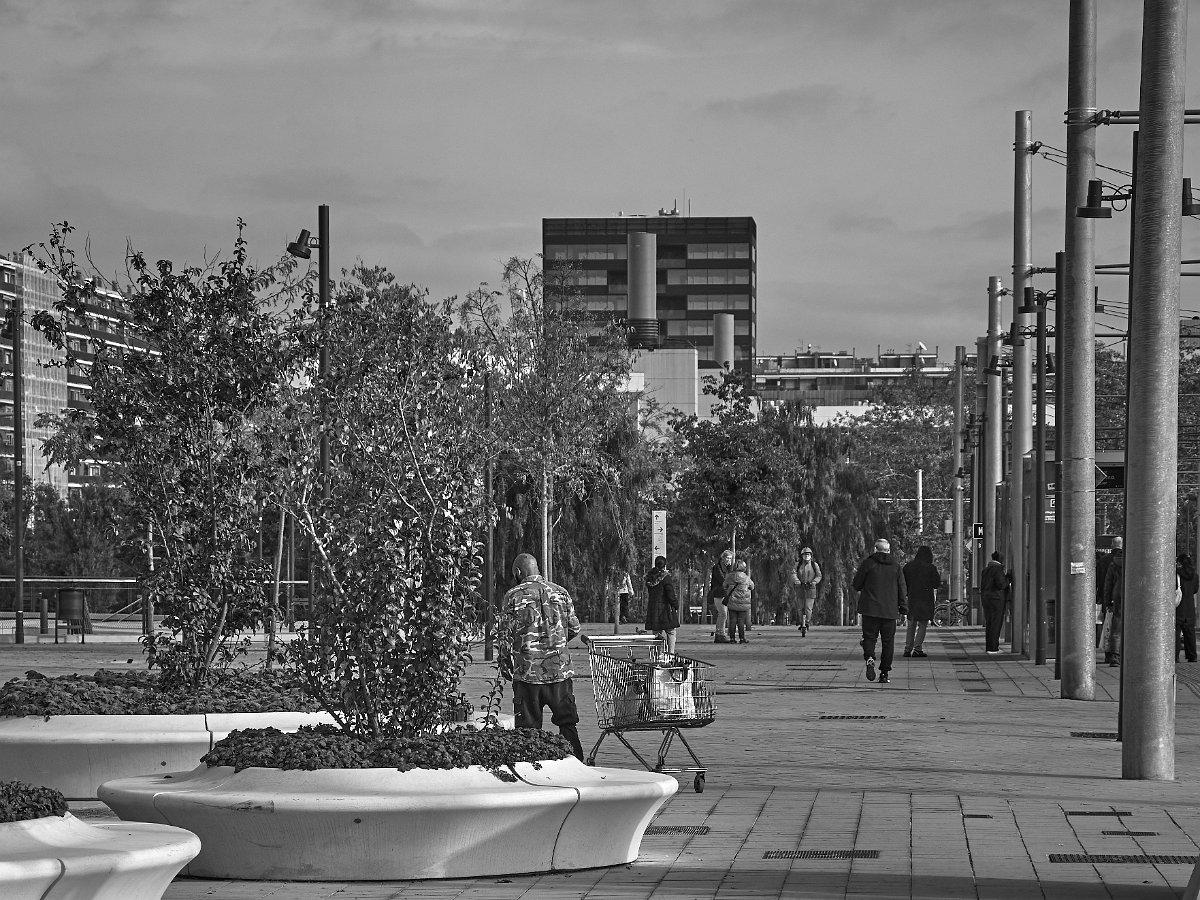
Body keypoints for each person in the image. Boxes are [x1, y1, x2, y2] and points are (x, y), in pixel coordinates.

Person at [500, 552, 588, 760]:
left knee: (528, 729)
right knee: (567, 722)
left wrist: (505, 660)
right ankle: (576, 763)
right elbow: (574, 628)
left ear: (518, 572)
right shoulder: (561, 592)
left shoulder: (513, 596)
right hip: (559, 671)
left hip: (527, 673)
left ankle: (531, 765)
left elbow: (504, 635)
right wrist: (555, 642)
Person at [852, 538, 907, 684]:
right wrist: (903, 608)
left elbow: (857, 584)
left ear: (875, 549)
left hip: (870, 609)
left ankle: (870, 658)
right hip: (889, 610)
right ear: (888, 550)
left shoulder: (868, 564)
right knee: (888, 642)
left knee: (869, 638)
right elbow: (902, 588)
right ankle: (884, 673)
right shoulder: (896, 567)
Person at [902, 545, 942, 658]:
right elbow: (936, 584)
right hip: (925, 598)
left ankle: (907, 648)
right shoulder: (930, 568)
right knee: (923, 624)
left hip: (912, 597)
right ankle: (917, 648)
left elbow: (903, 583)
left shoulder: (908, 567)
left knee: (911, 623)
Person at [645, 555, 680, 653]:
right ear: (664, 566)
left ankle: (658, 655)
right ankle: (670, 654)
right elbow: (670, 594)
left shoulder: (650, 578)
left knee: (657, 633)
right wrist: (675, 605)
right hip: (665, 609)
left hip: (653, 609)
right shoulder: (666, 578)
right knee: (671, 632)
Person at [1102, 537, 1126, 667]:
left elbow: (1108, 584)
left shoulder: (1113, 563)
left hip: (1117, 597)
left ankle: (1115, 657)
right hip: (1131, 596)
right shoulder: (1132, 561)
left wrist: (1107, 602)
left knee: (1116, 628)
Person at [980, 551, 1009, 654]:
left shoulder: (985, 570)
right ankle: (993, 648)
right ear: (1000, 559)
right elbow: (1001, 584)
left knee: (990, 623)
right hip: (996, 599)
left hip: (986, 599)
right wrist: (1008, 578)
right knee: (996, 623)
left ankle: (989, 646)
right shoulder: (998, 569)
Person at [790, 547, 823, 635]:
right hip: (800, 588)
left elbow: (819, 575)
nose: (806, 556)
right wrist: (796, 581)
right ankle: (802, 622)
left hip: (810, 588)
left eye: (808, 554)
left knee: (808, 607)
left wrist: (814, 582)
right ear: (802, 556)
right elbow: (793, 573)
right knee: (801, 608)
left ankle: (807, 622)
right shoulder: (798, 564)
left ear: (811, 555)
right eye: (805, 554)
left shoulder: (814, 565)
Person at [723, 559, 755, 644]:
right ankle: (742, 638)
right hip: (743, 602)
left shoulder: (730, 576)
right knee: (741, 621)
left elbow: (724, 586)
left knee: (732, 620)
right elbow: (752, 586)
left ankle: (732, 639)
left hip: (732, 601)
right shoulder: (746, 577)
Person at [709, 549, 735, 643]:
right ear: (722, 558)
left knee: (723, 614)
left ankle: (720, 634)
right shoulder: (717, 567)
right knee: (723, 613)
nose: (729, 560)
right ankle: (720, 634)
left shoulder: (727, 568)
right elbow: (723, 580)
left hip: (725, 593)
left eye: (730, 558)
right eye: (727, 558)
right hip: (718, 593)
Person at [1178, 554, 1198, 663]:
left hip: (1178, 607)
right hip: (1190, 608)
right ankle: (1192, 656)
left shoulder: (1176, 575)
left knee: (1176, 633)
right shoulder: (1195, 575)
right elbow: (1195, 590)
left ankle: (1175, 656)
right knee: (1190, 633)